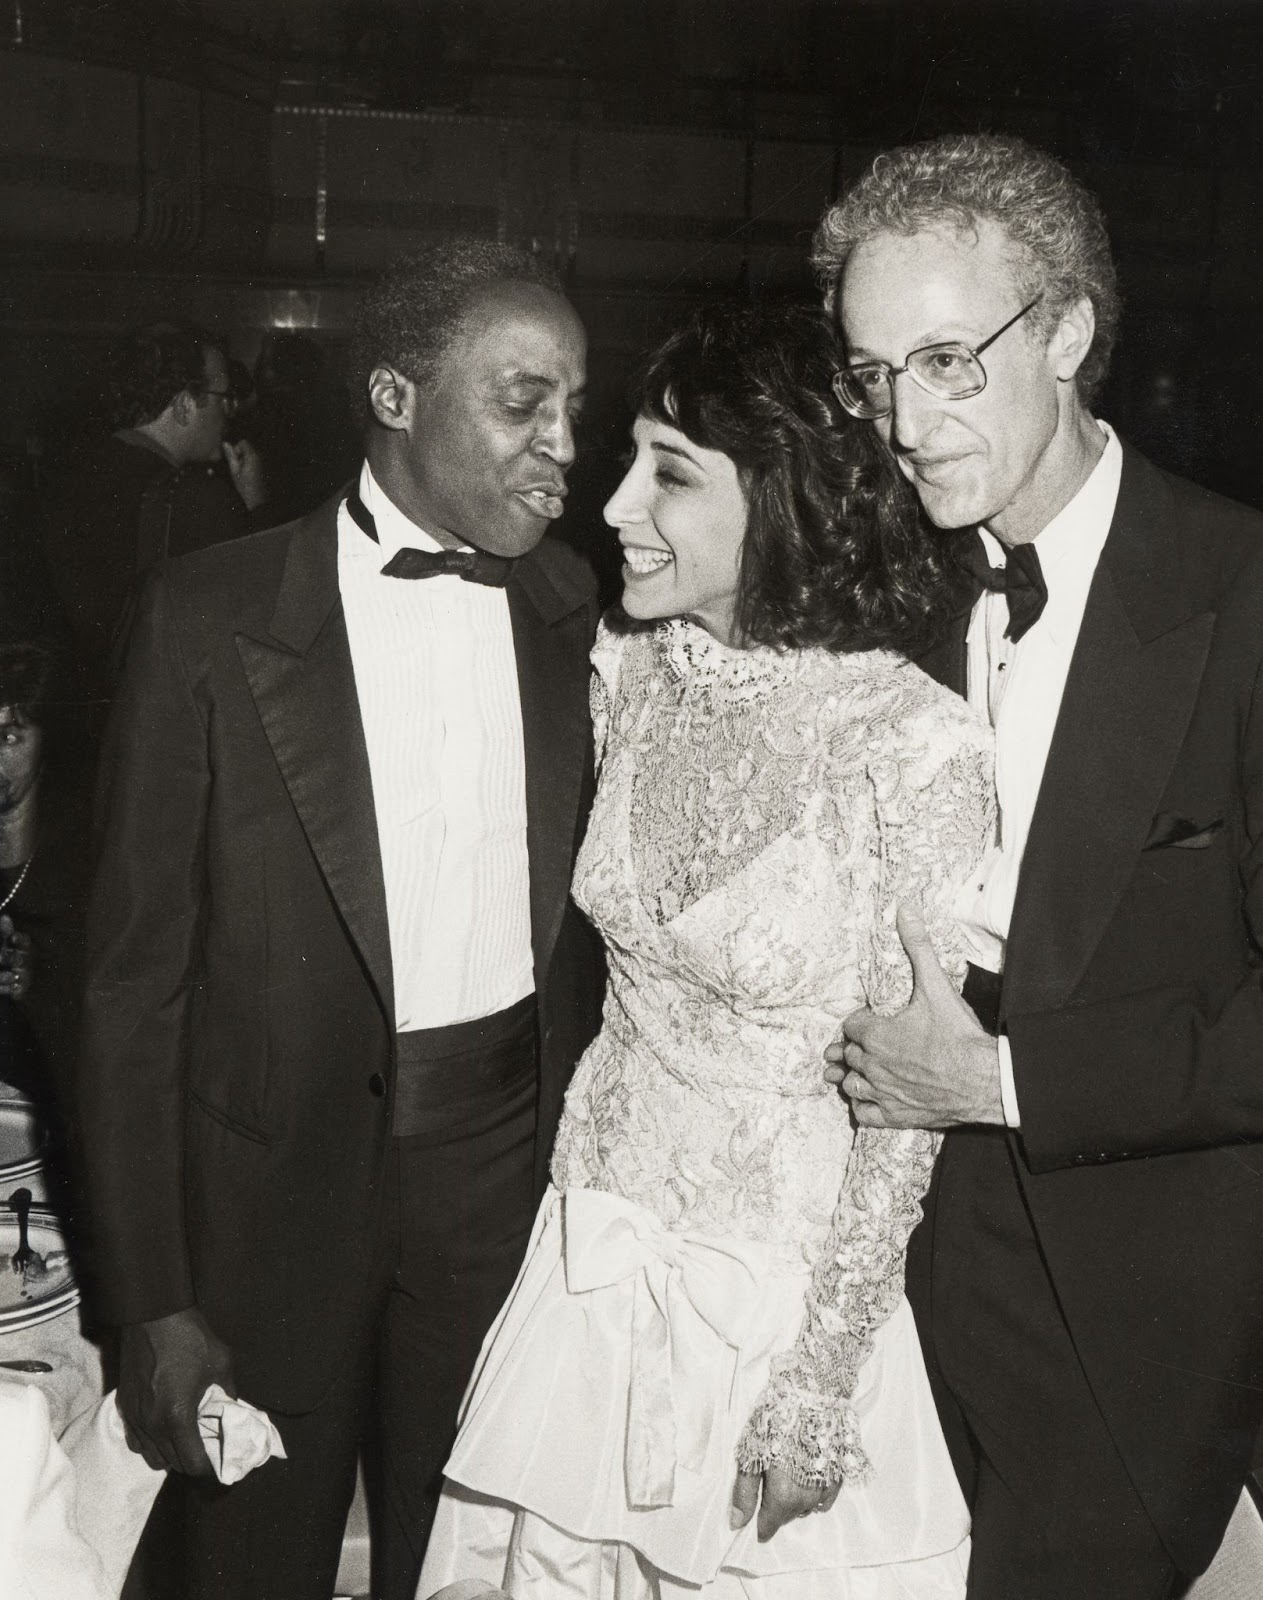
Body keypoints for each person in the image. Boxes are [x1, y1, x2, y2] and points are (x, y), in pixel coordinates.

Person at [419, 303, 993, 1600]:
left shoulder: (915, 746)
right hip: (589, 1272)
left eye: (670, 473)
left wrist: (819, 1378)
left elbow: (901, 1110)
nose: (614, 503)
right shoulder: (626, 676)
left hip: (776, 1312)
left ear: (788, 495)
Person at [73, 240, 604, 1600]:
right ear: (393, 395)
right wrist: (151, 1298)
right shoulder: (206, 615)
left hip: (500, 1192)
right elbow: (132, 987)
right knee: (247, 1567)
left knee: (462, 1566)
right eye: (522, 401)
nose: (562, 446)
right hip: (261, 1211)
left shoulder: (568, 607)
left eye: (575, 410)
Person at [819, 131, 1263, 1598]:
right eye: (871, 372)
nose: (901, 419)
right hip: (889, 1252)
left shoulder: (1236, 595)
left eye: (946, 359)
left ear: (1065, 330)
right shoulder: (896, 590)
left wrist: (1004, 1084)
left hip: (1129, 1302)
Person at [42, 322, 268, 713]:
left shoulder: (68, 475)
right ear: (183, 405)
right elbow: (253, 614)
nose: (228, 412)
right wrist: (256, 508)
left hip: (80, 707)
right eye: (221, 397)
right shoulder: (192, 497)